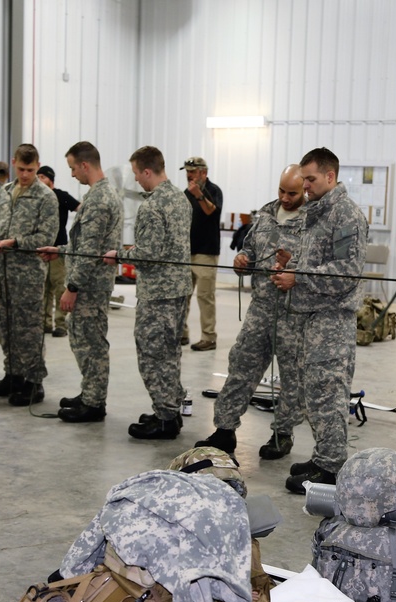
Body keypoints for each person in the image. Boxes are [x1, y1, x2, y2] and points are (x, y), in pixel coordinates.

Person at [271, 148, 368, 493]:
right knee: (315, 393)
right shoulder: (319, 212)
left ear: (330, 177)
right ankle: (323, 455)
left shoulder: (345, 216)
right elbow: (322, 260)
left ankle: (333, 467)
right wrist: (293, 259)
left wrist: (299, 275)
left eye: (310, 179)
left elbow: (346, 273)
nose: (304, 185)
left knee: (329, 394)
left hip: (332, 320)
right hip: (312, 317)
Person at [196, 164, 307, 458]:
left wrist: (295, 266)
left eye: (292, 193)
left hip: (293, 313)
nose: (285, 197)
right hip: (261, 308)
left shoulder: (314, 221)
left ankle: (282, 435)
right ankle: (224, 430)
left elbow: (317, 268)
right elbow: (249, 251)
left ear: (305, 190)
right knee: (241, 366)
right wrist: (242, 261)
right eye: (281, 190)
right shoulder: (266, 214)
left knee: (292, 378)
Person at [103, 146, 190, 439]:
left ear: (148, 171)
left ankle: (165, 418)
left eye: (138, 174)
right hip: (178, 289)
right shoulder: (181, 199)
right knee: (170, 352)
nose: (137, 180)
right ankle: (170, 410)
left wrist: (119, 255)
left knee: (152, 354)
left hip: (157, 293)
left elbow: (149, 252)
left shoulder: (153, 206)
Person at [38, 142, 123, 423]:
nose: (72, 174)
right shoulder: (96, 195)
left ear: (85, 165)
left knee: (91, 343)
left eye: (73, 168)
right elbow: (87, 245)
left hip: (90, 285)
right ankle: (90, 392)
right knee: (83, 341)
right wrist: (60, 250)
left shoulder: (99, 199)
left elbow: (89, 251)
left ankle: (94, 402)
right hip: (89, 280)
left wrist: (71, 287)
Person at [0, 143, 59, 407]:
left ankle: (34, 382)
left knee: (29, 330)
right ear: (13, 162)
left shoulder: (46, 197)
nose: (25, 174)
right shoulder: (5, 192)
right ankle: (12, 375)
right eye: (22, 169)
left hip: (28, 275)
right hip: (3, 272)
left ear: (37, 165)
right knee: (5, 327)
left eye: (31, 169)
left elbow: (46, 238)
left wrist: (16, 242)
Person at [180, 157, 223, 351]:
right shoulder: (185, 194)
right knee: (182, 295)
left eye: (193, 171)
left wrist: (198, 195)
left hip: (206, 252)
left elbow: (211, 212)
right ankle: (181, 332)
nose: (189, 174)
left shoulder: (214, 191)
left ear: (203, 173)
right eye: (187, 171)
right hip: (186, 251)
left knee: (205, 296)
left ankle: (209, 337)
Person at [36, 164, 80, 338]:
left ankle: (60, 324)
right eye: (37, 177)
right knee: (44, 288)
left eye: (43, 177)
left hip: (58, 249)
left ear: (50, 180)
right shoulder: (38, 198)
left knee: (59, 287)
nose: (39, 180)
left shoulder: (61, 196)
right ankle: (45, 323)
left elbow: (80, 208)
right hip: (41, 250)